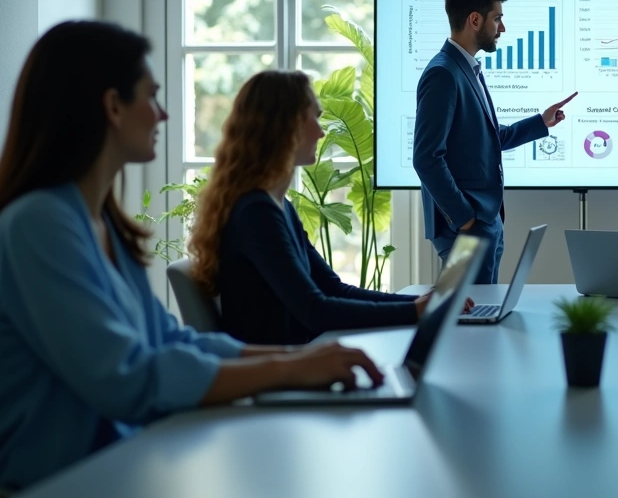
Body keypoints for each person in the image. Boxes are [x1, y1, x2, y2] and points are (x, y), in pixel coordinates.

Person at [0, 22, 383, 491]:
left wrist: (300, 360)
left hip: (127, 461)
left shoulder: (102, 224)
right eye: (151, 96)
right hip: (69, 481)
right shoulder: (39, 223)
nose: (163, 115)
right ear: (113, 106)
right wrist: (291, 368)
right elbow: (129, 378)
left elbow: (169, 340)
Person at [188, 71, 459, 346]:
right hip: (281, 371)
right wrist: (415, 310)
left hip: (297, 361)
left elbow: (332, 288)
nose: (321, 131)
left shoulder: (278, 207)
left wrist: (419, 302)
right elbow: (315, 311)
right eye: (313, 117)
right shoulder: (256, 213)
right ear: (285, 126)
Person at [413, 0, 576, 284]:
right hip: (466, 228)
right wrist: (464, 217)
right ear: (475, 20)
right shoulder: (443, 73)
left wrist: (541, 122)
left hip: (484, 223)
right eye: (497, 18)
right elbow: (426, 158)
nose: (502, 28)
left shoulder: (466, 69)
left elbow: (488, 138)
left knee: (481, 316)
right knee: (468, 320)